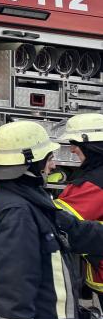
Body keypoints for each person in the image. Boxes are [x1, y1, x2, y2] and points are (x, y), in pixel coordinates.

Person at [0, 120, 103, 319]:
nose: (54, 165)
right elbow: (13, 288)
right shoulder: (19, 213)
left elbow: (73, 229)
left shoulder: (27, 200)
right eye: (49, 158)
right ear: (29, 163)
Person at [54, 113, 103, 297]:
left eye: (75, 144)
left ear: (92, 146)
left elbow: (59, 221)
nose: (73, 149)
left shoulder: (93, 185)